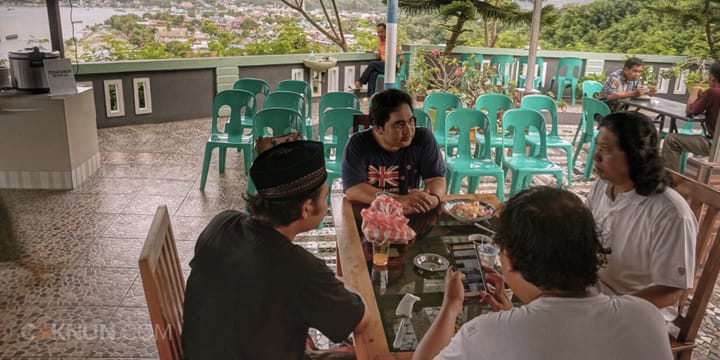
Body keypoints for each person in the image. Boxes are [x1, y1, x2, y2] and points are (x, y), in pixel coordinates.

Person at [413, 186, 673, 360]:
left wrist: (451, 306)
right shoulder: (645, 316)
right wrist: (514, 317)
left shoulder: (484, 335)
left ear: (510, 260)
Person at [182, 141, 368, 359]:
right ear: (306, 208)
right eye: (325, 196)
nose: (327, 205)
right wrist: (350, 286)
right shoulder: (301, 269)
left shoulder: (222, 223)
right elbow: (360, 320)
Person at [587, 111, 697, 320]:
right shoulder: (603, 185)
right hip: (596, 293)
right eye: (597, 145)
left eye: (606, 149)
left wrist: (612, 310)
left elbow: (671, 290)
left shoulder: (670, 214)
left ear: (635, 155)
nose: (596, 156)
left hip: (640, 311)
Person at [342, 89, 445, 215]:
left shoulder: (423, 138)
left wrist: (433, 199)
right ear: (378, 127)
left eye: (411, 121)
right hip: (371, 213)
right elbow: (353, 189)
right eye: (399, 124)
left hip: (408, 214)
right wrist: (398, 200)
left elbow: (436, 179)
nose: (409, 130)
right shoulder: (358, 144)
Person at [662, 60, 720, 171]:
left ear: (712, 78)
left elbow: (690, 111)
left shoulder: (713, 93)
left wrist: (695, 90)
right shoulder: (712, 93)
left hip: (715, 145)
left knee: (671, 140)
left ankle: (670, 180)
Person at [347, 23, 403, 97]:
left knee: (372, 64)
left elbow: (401, 55)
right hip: (384, 65)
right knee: (373, 74)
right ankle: (371, 97)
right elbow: (381, 54)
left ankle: (359, 83)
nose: (380, 34)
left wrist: (399, 60)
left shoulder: (391, 40)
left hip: (392, 67)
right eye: (378, 32)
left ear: (386, 31)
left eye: (382, 32)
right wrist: (378, 53)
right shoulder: (380, 41)